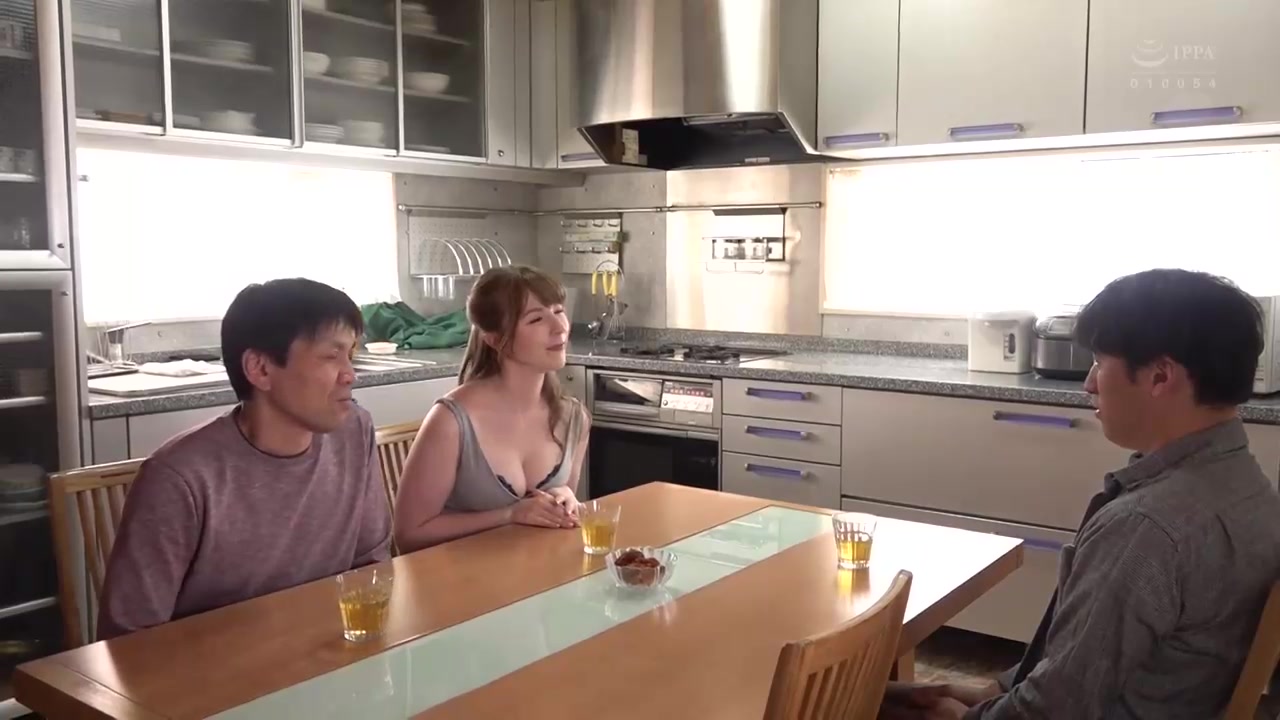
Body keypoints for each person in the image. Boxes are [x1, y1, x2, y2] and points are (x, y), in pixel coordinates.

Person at [882, 269, 1280, 720]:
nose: (1089, 383)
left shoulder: (1146, 528)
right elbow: (1077, 668)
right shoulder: (1250, 489)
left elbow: (1053, 710)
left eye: (1099, 362)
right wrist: (991, 691)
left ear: (1160, 376)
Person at [97, 278, 392, 640]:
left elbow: (370, 564)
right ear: (260, 369)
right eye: (332, 356)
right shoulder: (179, 478)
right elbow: (128, 640)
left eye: (351, 354)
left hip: (321, 652)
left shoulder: (353, 431)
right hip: (211, 668)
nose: (350, 374)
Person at [394, 266, 588, 553]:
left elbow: (561, 524)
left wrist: (565, 498)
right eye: (536, 318)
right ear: (495, 340)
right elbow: (408, 535)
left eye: (558, 311)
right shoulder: (451, 421)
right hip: (461, 577)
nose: (559, 327)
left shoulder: (573, 418)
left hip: (535, 574)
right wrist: (509, 515)